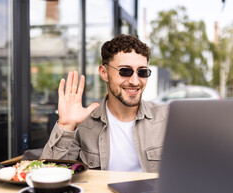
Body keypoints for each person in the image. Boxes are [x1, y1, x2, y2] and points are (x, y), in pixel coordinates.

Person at [40, 34, 168, 173]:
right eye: (125, 71)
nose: (135, 81)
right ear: (104, 73)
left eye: (142, 72)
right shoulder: (81, 124)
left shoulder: (166, 119)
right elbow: (45, 175)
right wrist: (66, 126)